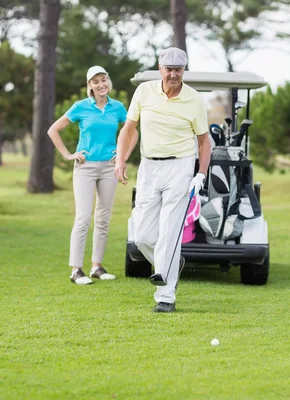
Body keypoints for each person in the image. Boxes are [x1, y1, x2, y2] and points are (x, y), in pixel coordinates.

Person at [115, 47, 212, 313]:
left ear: (183, 71)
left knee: (170, 230)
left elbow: (205, 142)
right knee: (143, 235)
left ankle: (165, 297)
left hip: (180, 166)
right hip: (149, 166)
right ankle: (171, 262)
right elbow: (129, 129)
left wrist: (200, 173)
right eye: (168, 69)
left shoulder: (194, 100)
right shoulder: (144, 92)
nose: (172, 74)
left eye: (178, 70)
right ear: (160, 68)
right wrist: (121, 159)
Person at [48, 66, 132, 285]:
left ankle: (97, 267)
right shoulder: (81, 107)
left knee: (103, 218)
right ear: (90, 86)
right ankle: (76, 270)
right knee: (83, 217)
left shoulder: (118, 107)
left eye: (104, 80)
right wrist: (68, 155)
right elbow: (53, 130)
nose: (101, 84)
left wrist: (122, 157)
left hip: (109, 168)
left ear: (108, 82)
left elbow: (132, 132)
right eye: (95, 82)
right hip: (85, 167)